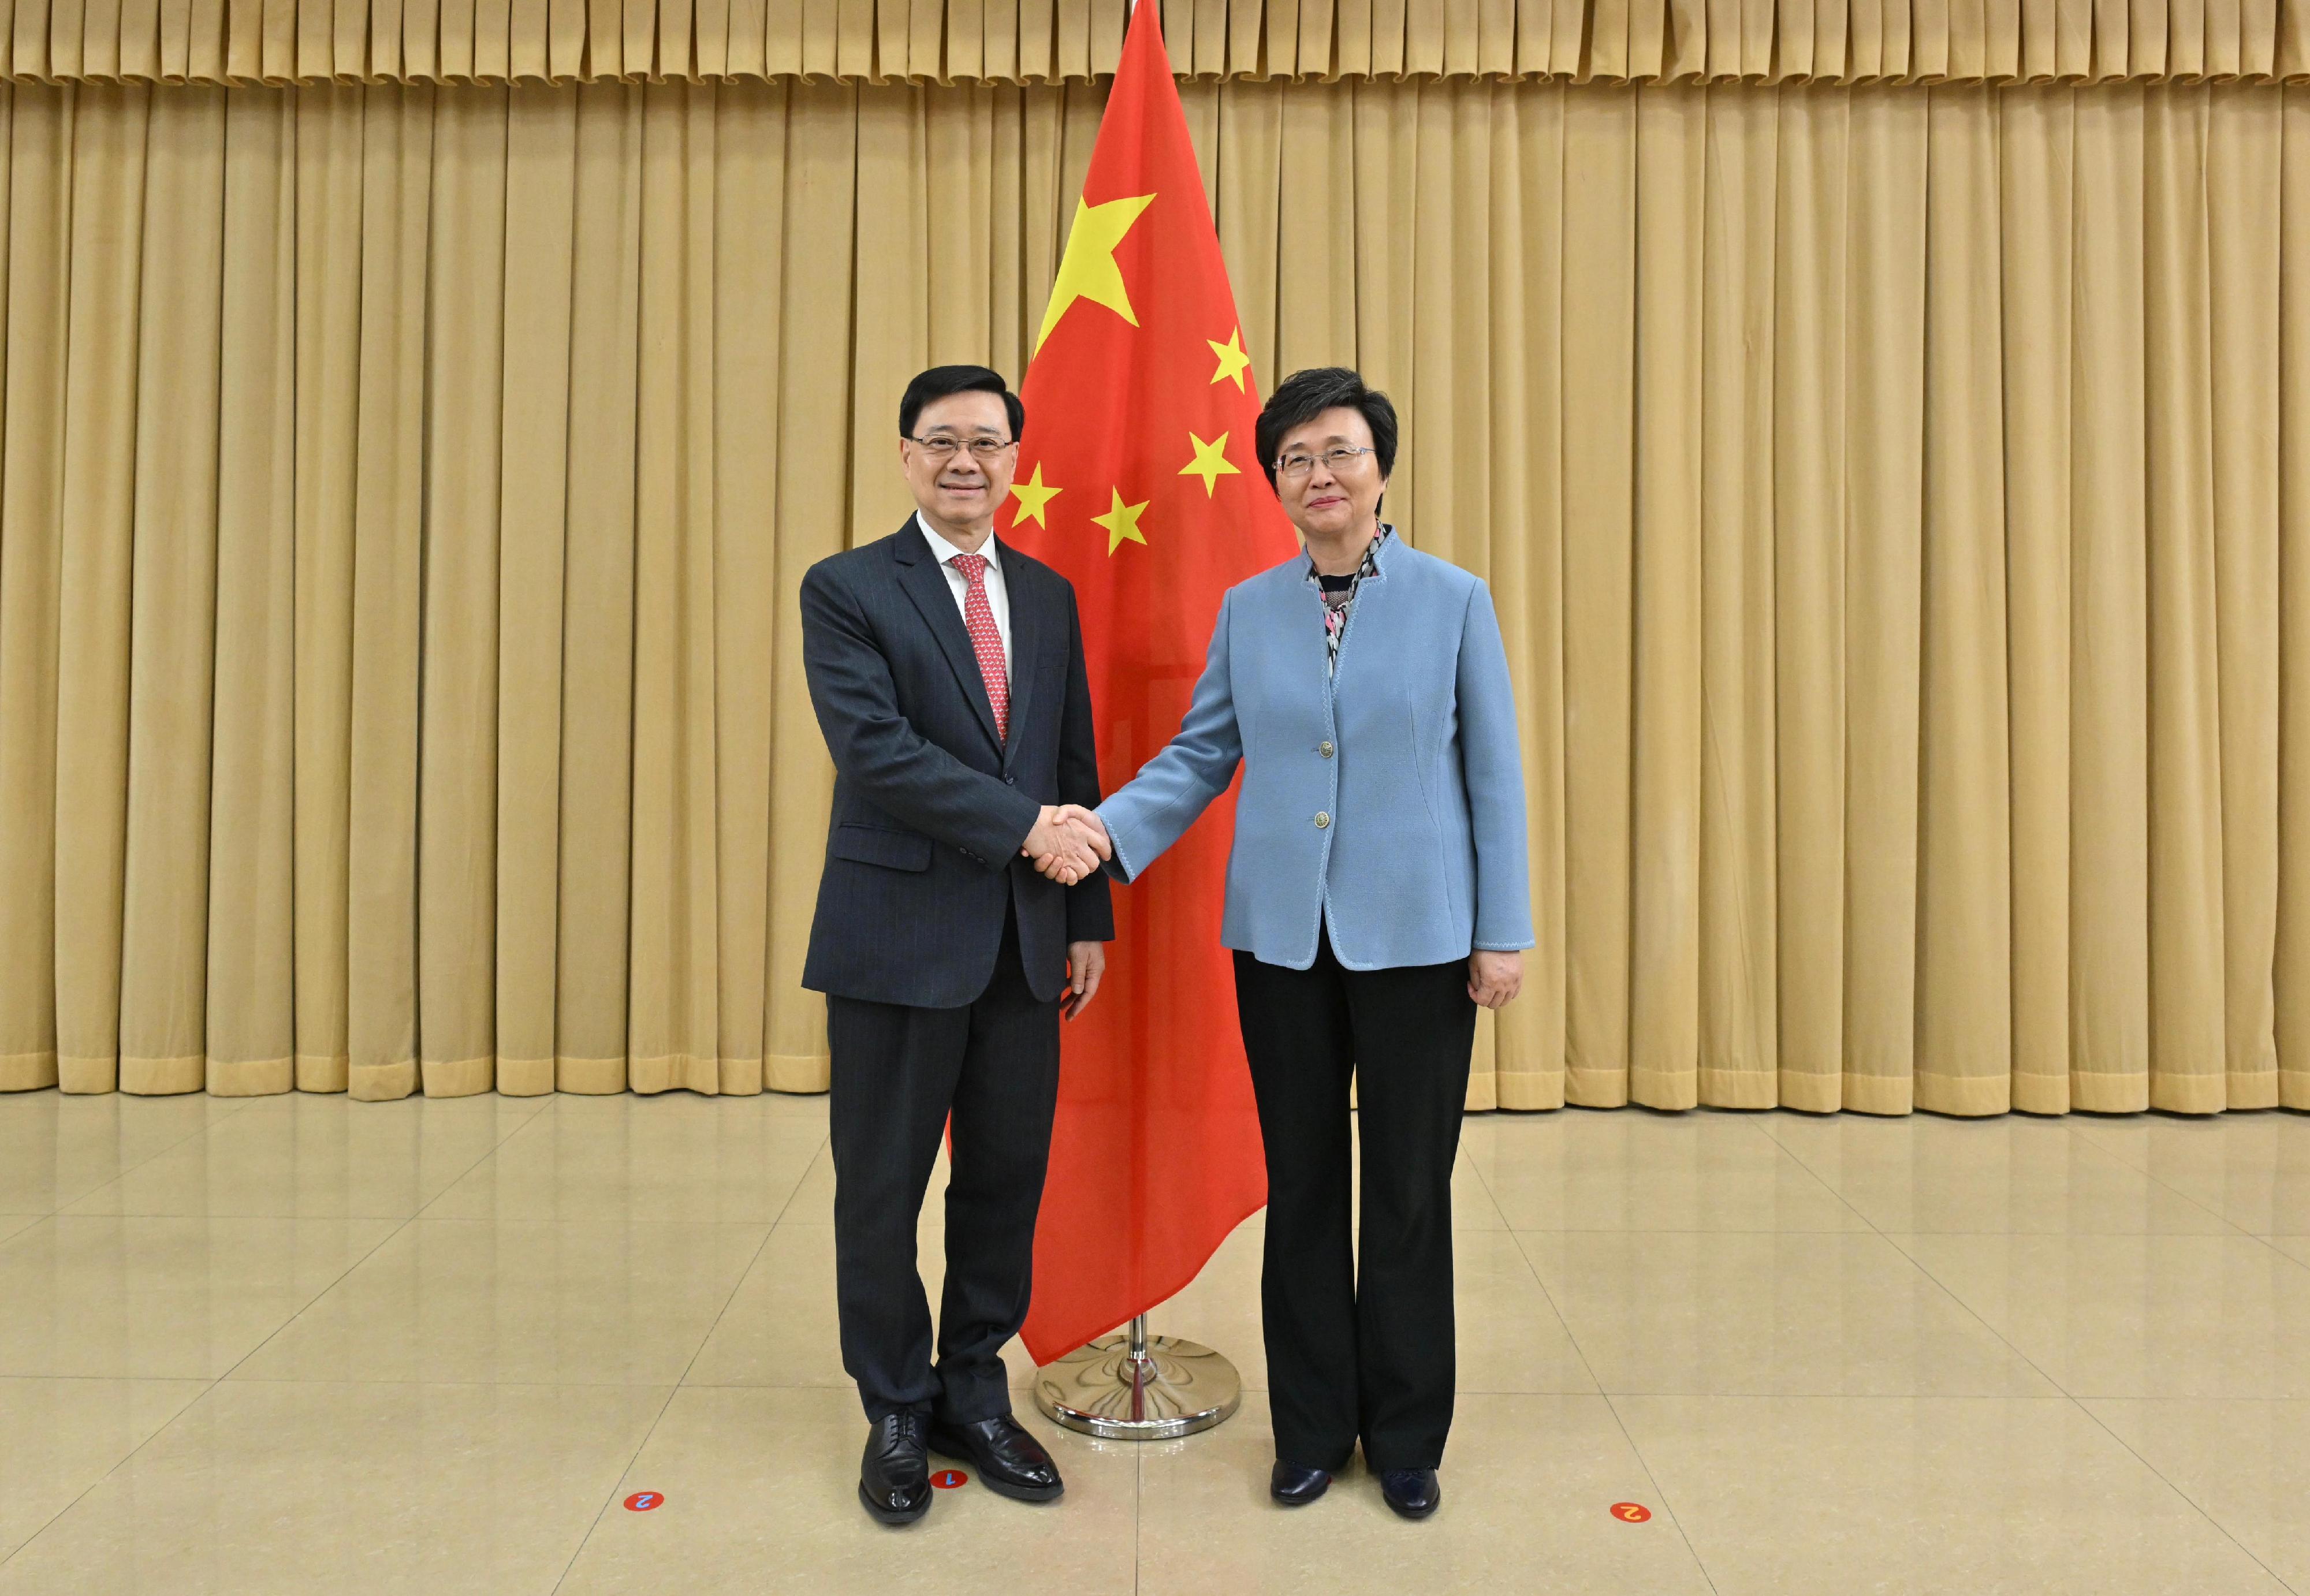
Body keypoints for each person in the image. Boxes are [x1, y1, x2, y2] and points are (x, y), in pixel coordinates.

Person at [1034, 366, 1531, 1521]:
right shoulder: (1249, 608)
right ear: (1274, 480)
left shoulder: (1454, 599)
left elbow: (1493, 777)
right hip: (1280, 941)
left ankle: (1405, 1434)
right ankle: (1309, 1428)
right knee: (1304, 1182)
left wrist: (1499, 931)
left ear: (1379, 468)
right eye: (1296, 456)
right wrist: (1100, 831)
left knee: (1406, 1190)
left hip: (1418, 940)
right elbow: (1202, 753)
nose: (1319, 473)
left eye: (1339, 450)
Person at [800, 364, 1113, 1527]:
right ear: (904, 454)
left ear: (1015, 459)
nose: (965, 460)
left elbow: (1070, 758)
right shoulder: (845, 588)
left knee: (1002, 1180)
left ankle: (973, 1387)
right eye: (941, 440)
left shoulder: (1045, 592)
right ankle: (893, 1401)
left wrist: (1085, 915)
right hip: (891, 940)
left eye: (987, 440)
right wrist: (1026, 827)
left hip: (1025, 946)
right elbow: (874, 749)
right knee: (879, 1186)